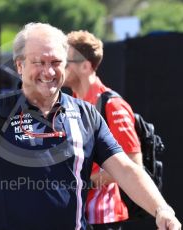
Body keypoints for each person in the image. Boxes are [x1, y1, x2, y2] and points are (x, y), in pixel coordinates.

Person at [0, 22, 181, 230]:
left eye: (56, 62)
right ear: (20, 65)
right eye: (39, 62)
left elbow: (126, 169)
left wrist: (161, 209)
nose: (49, 71)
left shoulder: (87, 115)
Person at [64, 30, 143, 229]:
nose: (59, 67)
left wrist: (84, 181)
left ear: (85, 66)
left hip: (104, 218)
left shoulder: (112, 105)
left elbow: (133, 164)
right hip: (78, 215)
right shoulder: (71, 103)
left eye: (65, 62)